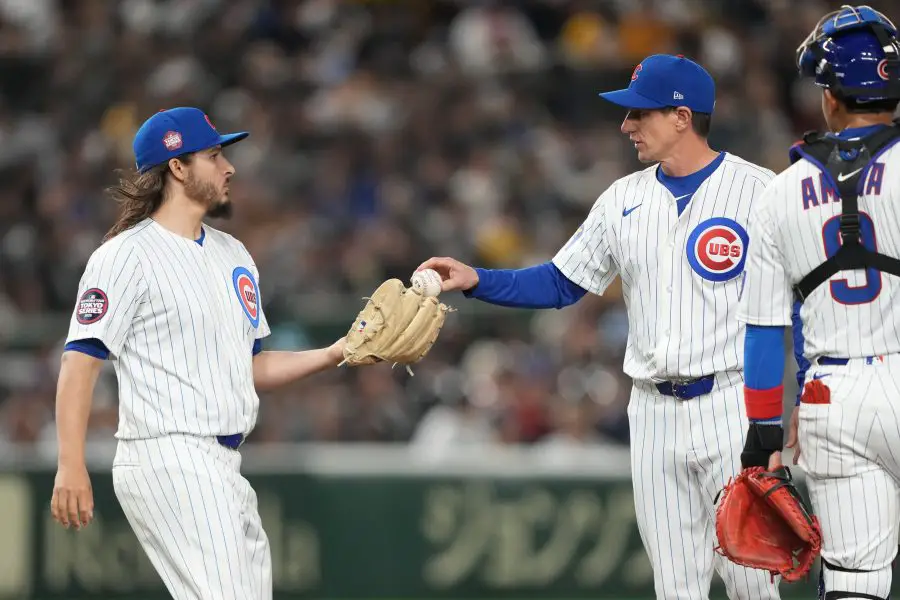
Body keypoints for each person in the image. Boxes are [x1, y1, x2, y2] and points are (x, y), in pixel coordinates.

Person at [417, 55, 780, 600]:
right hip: (652, 412)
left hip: (731, 404)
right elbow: (562, 283)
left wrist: (781, 416)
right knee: (676, 587)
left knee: (752, 583)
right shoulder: (622, 199)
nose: (626, 125)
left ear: (682, 117)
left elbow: (795, 303)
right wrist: (476, 279)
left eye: (640, 113)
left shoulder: (761, 193)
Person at [50, 107, 347, 600]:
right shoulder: (125, 256)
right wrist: (70, 463)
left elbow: (251, 367)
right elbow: (79, 362)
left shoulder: (233, 254)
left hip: (221, 462)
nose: (228, 166)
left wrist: (338, 352)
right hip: (168, 452)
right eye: (213, 155)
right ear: (177, 167)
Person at [737, 5, 900, 599]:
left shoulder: (777, 194)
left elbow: (762, 331)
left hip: (834, 398)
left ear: (829, 98)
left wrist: (763, 435)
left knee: (856, 585)